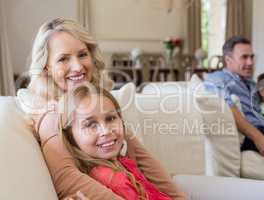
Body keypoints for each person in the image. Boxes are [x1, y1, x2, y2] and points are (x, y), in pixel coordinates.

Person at [17, 18, 187, 200]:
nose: (77, 66)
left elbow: (144, 160)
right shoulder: (52, 115)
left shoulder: (98, 101)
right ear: (47, 68)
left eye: (82, 54)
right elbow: (66, 178)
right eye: (63, 59)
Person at [59, 83, 172, 200]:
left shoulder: (119, 163)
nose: (106, 131)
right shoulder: (114, 180)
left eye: (110, 118)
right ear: (70, 136)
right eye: (90, 124)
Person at [204, 35, 264, 160]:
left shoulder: (252, 84)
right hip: (252, 135)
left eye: (252, 57)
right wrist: (260, 139)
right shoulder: (217, 78)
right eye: (244, 57)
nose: (250, 62)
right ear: (228, 60)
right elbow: (227, 108)